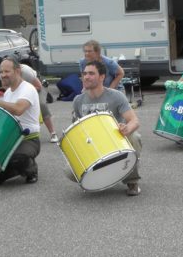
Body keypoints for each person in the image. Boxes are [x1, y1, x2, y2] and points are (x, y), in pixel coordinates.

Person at [73, 59, 143, 196]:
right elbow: (77, 127)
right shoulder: (78, 100)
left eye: (91, 73)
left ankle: (132, 181)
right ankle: (100, 178)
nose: (86, 76)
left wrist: (127, 129)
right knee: (69, 172)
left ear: (102, 77)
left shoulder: (116, 96)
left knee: (135, 137)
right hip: (92, 143)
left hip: (113, 140)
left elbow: (134, 121)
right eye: (84, 73)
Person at [0, 56, 40, 185]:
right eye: (1, 72)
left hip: (29, 139)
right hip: (11, 139)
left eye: (6, 71)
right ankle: (13, 168)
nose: (2, 75)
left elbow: (18, 109)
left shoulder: (27, 89)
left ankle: (31, 168)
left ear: (17, 71)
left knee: (18, 159)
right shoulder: (8, 93)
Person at [20, 63, 58, 143]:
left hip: (38, 87)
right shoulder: (7, 75)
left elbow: (39, 87)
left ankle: (53, 133)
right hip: (24, 89)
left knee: (42, 104)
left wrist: (26, 89)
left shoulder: (25, 72)